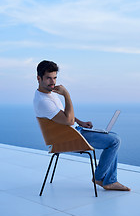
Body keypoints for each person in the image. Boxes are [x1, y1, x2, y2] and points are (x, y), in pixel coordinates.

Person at [33, 60, 131, 191]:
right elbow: (68, 120)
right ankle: (102, 179)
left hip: (73, 131)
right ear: (39, 78)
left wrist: (80, 122)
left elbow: (61, 115)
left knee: (113, 136)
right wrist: (67, 95)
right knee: (114, 141)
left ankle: (108, 179)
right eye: (48, 78)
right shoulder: (43, 101)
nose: (53, 82)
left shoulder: (48, 95)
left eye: (55, 78)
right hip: (66, 138)